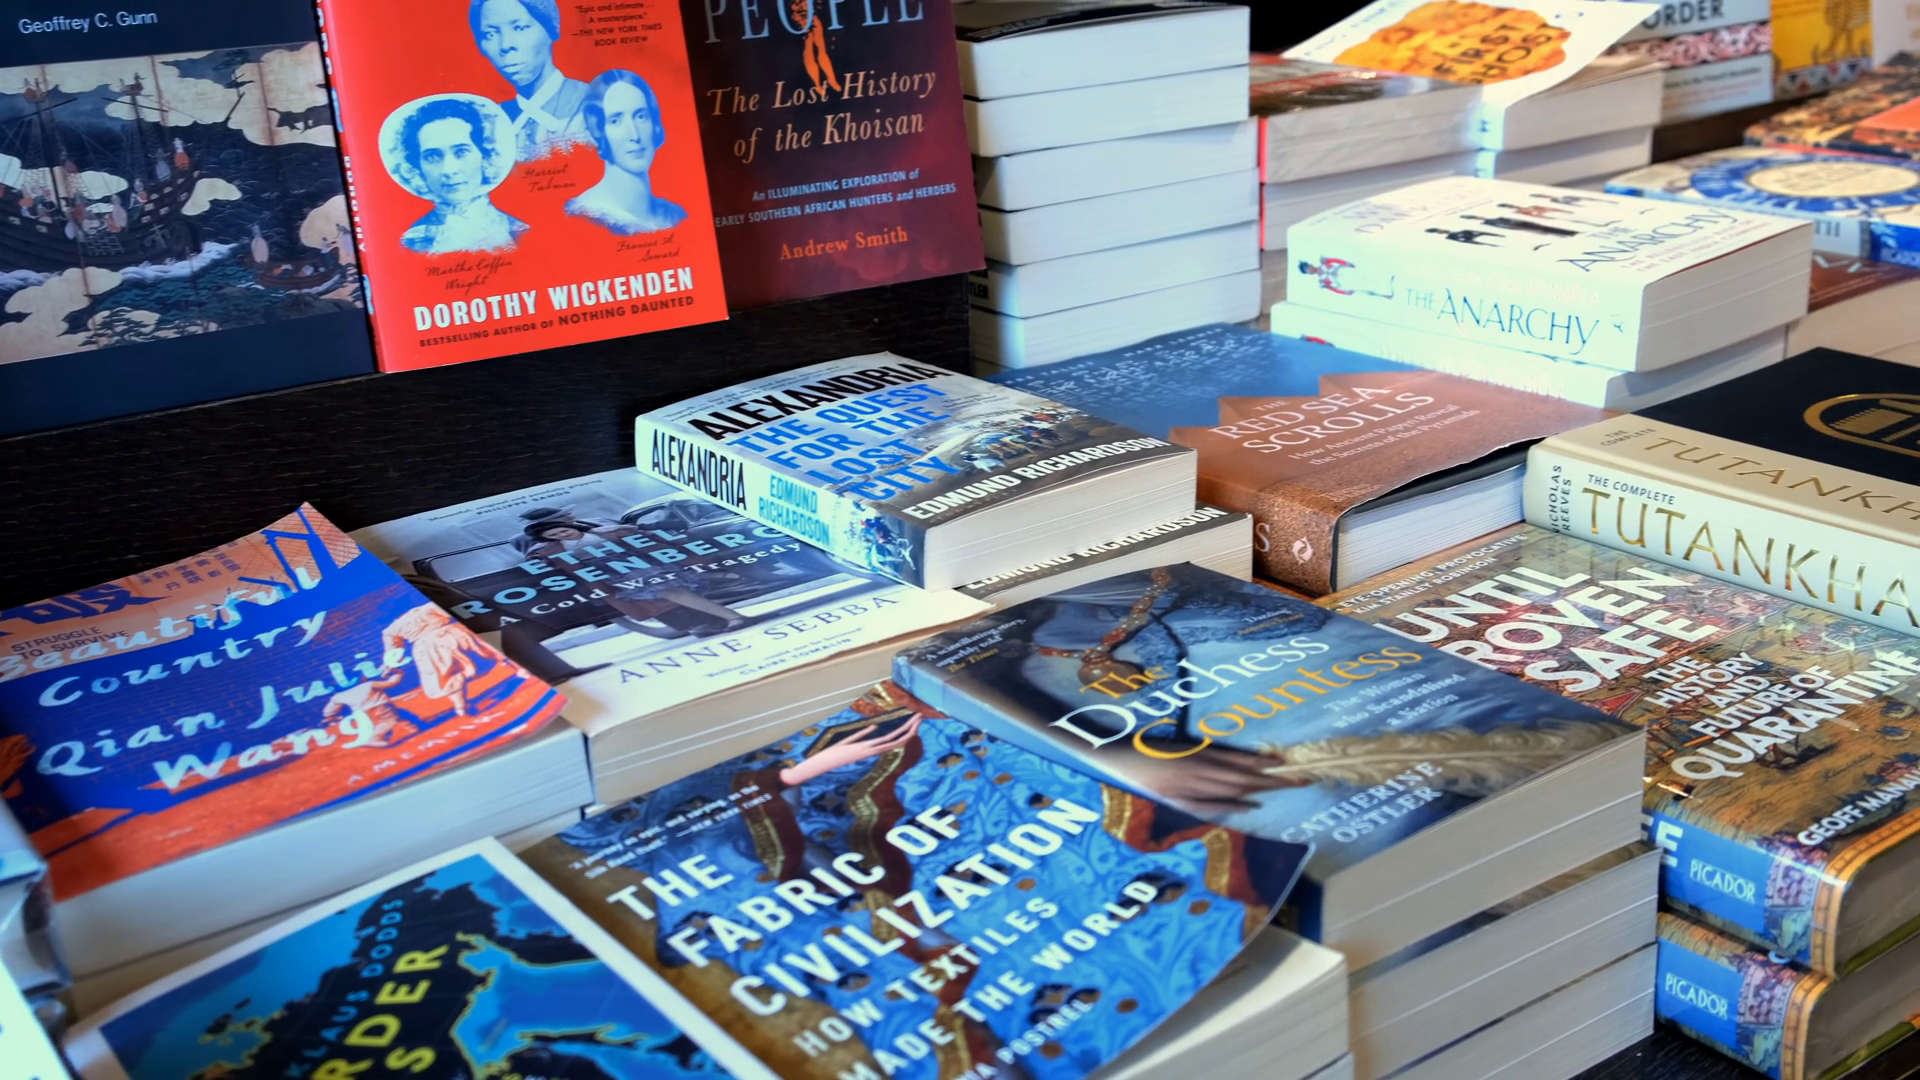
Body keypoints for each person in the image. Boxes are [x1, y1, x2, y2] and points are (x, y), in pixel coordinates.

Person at [394, 96, 527, 254]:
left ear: (484, 155)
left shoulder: (521, 233)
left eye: (461, 152)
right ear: (418, 166)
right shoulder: (411, 243)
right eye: (432, 156)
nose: (449, 170)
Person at [564, 69, 687, 235]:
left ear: (654, 124)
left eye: (641, 116)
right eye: (616, 121)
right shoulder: (582, 217)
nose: (634, 135)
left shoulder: (675, 216)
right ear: (598, 130)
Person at [470, 0, 587, 160]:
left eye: (519, 28)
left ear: (551, 30)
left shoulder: (597, 104)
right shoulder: (492, 122)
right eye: (490, 34)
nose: (505, 45)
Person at [380, 601, 492, 717]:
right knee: (484, 650)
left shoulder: (392, 629)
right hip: (453, 634)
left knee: (447, 676)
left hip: (428, 648)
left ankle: (460, 706)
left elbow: (393, 653)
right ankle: (506, 663)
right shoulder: (429, 607)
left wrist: (389, 666)